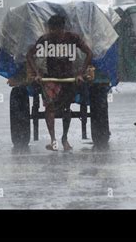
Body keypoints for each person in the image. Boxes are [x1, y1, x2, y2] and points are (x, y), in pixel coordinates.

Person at [26, 15, 93, 152]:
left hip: (68, 79)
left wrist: (80, 72)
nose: (54, 33)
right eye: (51, 30)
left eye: (56, 30)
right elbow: (29, 55)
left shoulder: (73, 38)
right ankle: (53, 140)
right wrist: (37, 73)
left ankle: (64, 139)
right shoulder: (45, 39)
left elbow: (89, 53)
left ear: (62, 29)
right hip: (50, 79)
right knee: (49, 108)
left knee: (66, 108)